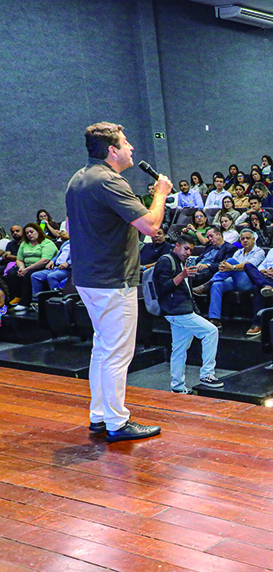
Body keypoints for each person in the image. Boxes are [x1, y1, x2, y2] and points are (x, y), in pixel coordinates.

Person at [65, 122, 171, 442]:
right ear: (112, 150)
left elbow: (70, 228)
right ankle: (117, 422)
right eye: (126, 143)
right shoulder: (110, 181)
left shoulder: (78, 179)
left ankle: (99, 415)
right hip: (113, 280)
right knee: (117, 354)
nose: (132, 149)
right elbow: (151, 226)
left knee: (103, 349)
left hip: (88, 278)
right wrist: (161, 194)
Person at [153, 237, 223, 394]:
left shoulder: (180, 263)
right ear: (176, 246)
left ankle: (177, 387)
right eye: (185, 249)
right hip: (176, 311)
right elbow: (162, 288)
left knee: (179, 349)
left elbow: (187, 292)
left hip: (180, 310)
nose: (188, 253)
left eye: (191, 250)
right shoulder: (166, 261)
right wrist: (182, 276)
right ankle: (207, 374)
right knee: (211, 331)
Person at [6, 224, 57, 310]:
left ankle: (24, 303)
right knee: (12, 273)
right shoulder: (24, 244)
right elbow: (19, 259)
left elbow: (44, 260)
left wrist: (27, 269)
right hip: (26, 266)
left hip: (43, 267)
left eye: (31, 232)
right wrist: (21, 268)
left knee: (29, 274)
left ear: (38, 231)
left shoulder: (47, 242)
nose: (29, 234)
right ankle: (17, 296)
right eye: (27, 233)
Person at [29, 226, 72, 306]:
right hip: (56, 267)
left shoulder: (81, 244)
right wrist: (52, 261)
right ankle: (37, 302)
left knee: (52, 276)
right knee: (35, 276)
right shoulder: (66, 243)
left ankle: (56, 301)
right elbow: (59, 254)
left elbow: (80, 258)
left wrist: (68, 263)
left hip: (68, 269)